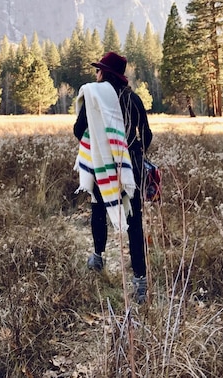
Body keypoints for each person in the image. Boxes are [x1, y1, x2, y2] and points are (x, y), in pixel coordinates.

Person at [73, 51, 153, 304]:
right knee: (135, 220)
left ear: (105, 73)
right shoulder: (134, 99)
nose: (96, 75)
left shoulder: (95, 99)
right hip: (133, 167)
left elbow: (78, 130)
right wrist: (134, 153)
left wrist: (97, 145)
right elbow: (147, 134)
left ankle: (98, 258)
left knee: (99, 209)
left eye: (98, 70)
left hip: (103, 166)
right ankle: (140, 282)